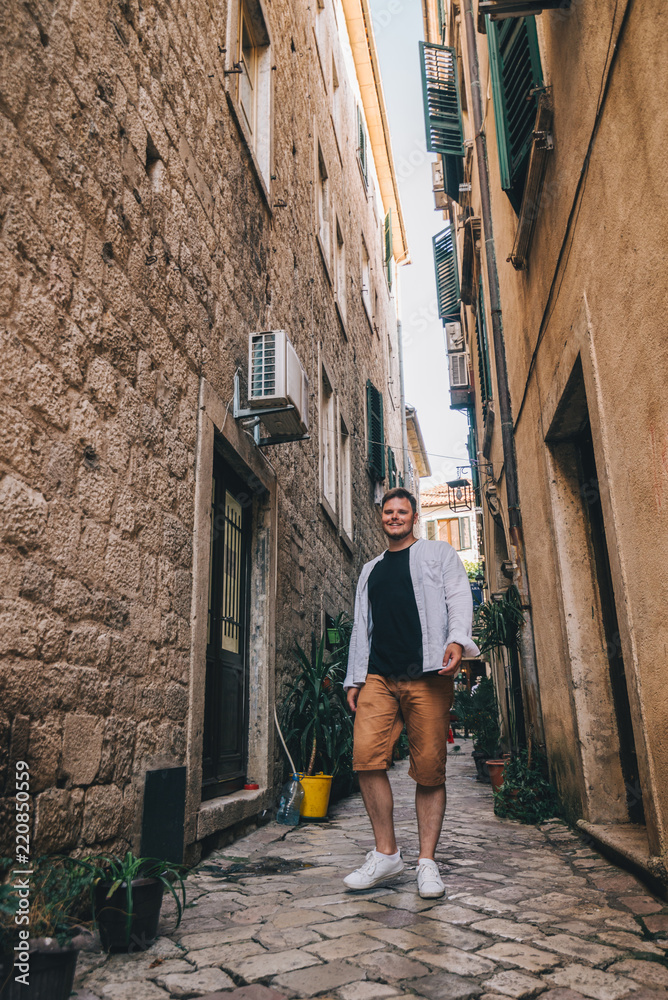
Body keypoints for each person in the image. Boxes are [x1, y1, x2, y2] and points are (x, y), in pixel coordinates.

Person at [343, 487, 480, 898]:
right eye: (389, 512)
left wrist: (457, 639)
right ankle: (386, 854)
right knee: (366, 758)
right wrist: (354, 677)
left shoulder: (438, 554)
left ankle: (426, 863)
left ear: (414, 516)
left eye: (402, 511)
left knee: (429, 768)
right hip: (379, 678)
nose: (395, 517)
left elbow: (458, 597)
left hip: (428, 673)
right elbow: (360, 625)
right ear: (381, 518)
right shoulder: (370, 570)